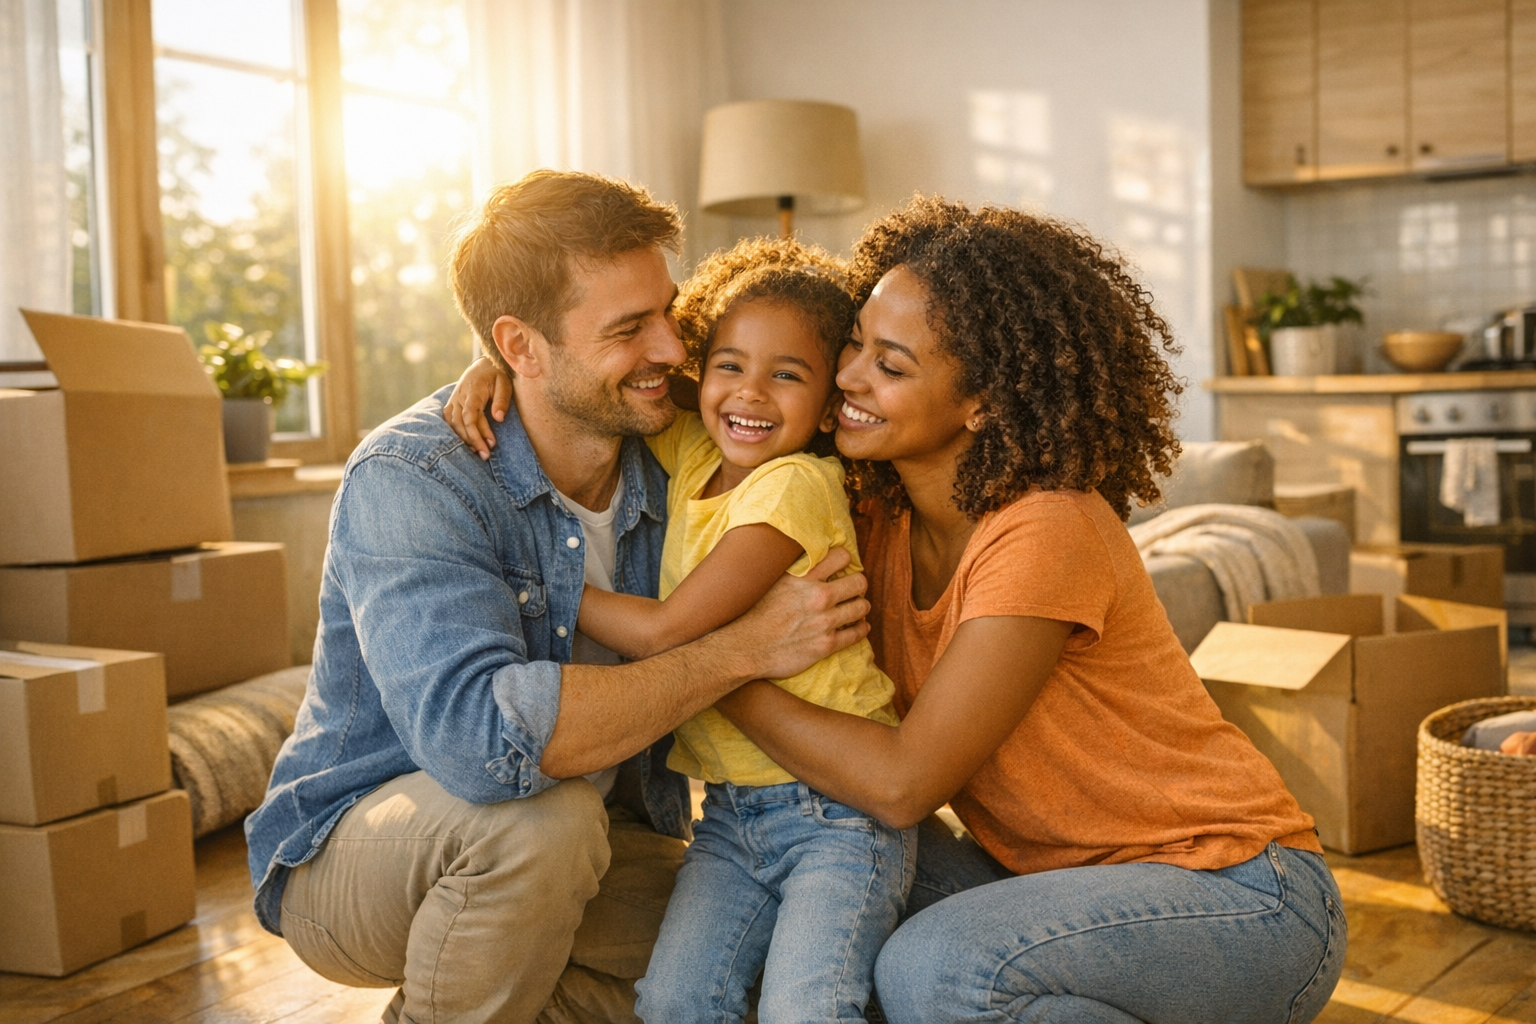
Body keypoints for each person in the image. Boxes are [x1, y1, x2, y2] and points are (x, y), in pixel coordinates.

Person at [244, 171, 871, 1024]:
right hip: (359, 850)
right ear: (523, 346)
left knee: (776, 951)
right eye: (629, 329)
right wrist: (743, 650)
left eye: (669, 312)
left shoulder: (675, 440)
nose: (672, 349)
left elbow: (788, 362)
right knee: (539, 823)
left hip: (595, 852)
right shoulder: (414, 478)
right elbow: (483, 744)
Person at [709, 198, 1348, 1023]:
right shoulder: (870, 512)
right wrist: (511, 375)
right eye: (856, 345)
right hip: (1048, 887)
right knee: (809, 864)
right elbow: (729, 392)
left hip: (1241, 896)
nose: (849, 377)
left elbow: (905, 786)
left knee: (932, 968)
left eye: (891, 367)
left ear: (982, 401)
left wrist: (718, 671)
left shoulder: (1046, 525)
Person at [449, 238, 915, 1024]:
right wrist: (497, 366)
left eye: (789, 376)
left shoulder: (796, 485)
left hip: (835, 817)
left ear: (831, 403)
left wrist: (541, 585)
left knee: (808, 1009)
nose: (752, 394)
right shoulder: (699, 445)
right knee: (674, 1003)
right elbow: (604, 387)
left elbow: (666, 631)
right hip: (731, 815)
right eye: (731, 366)